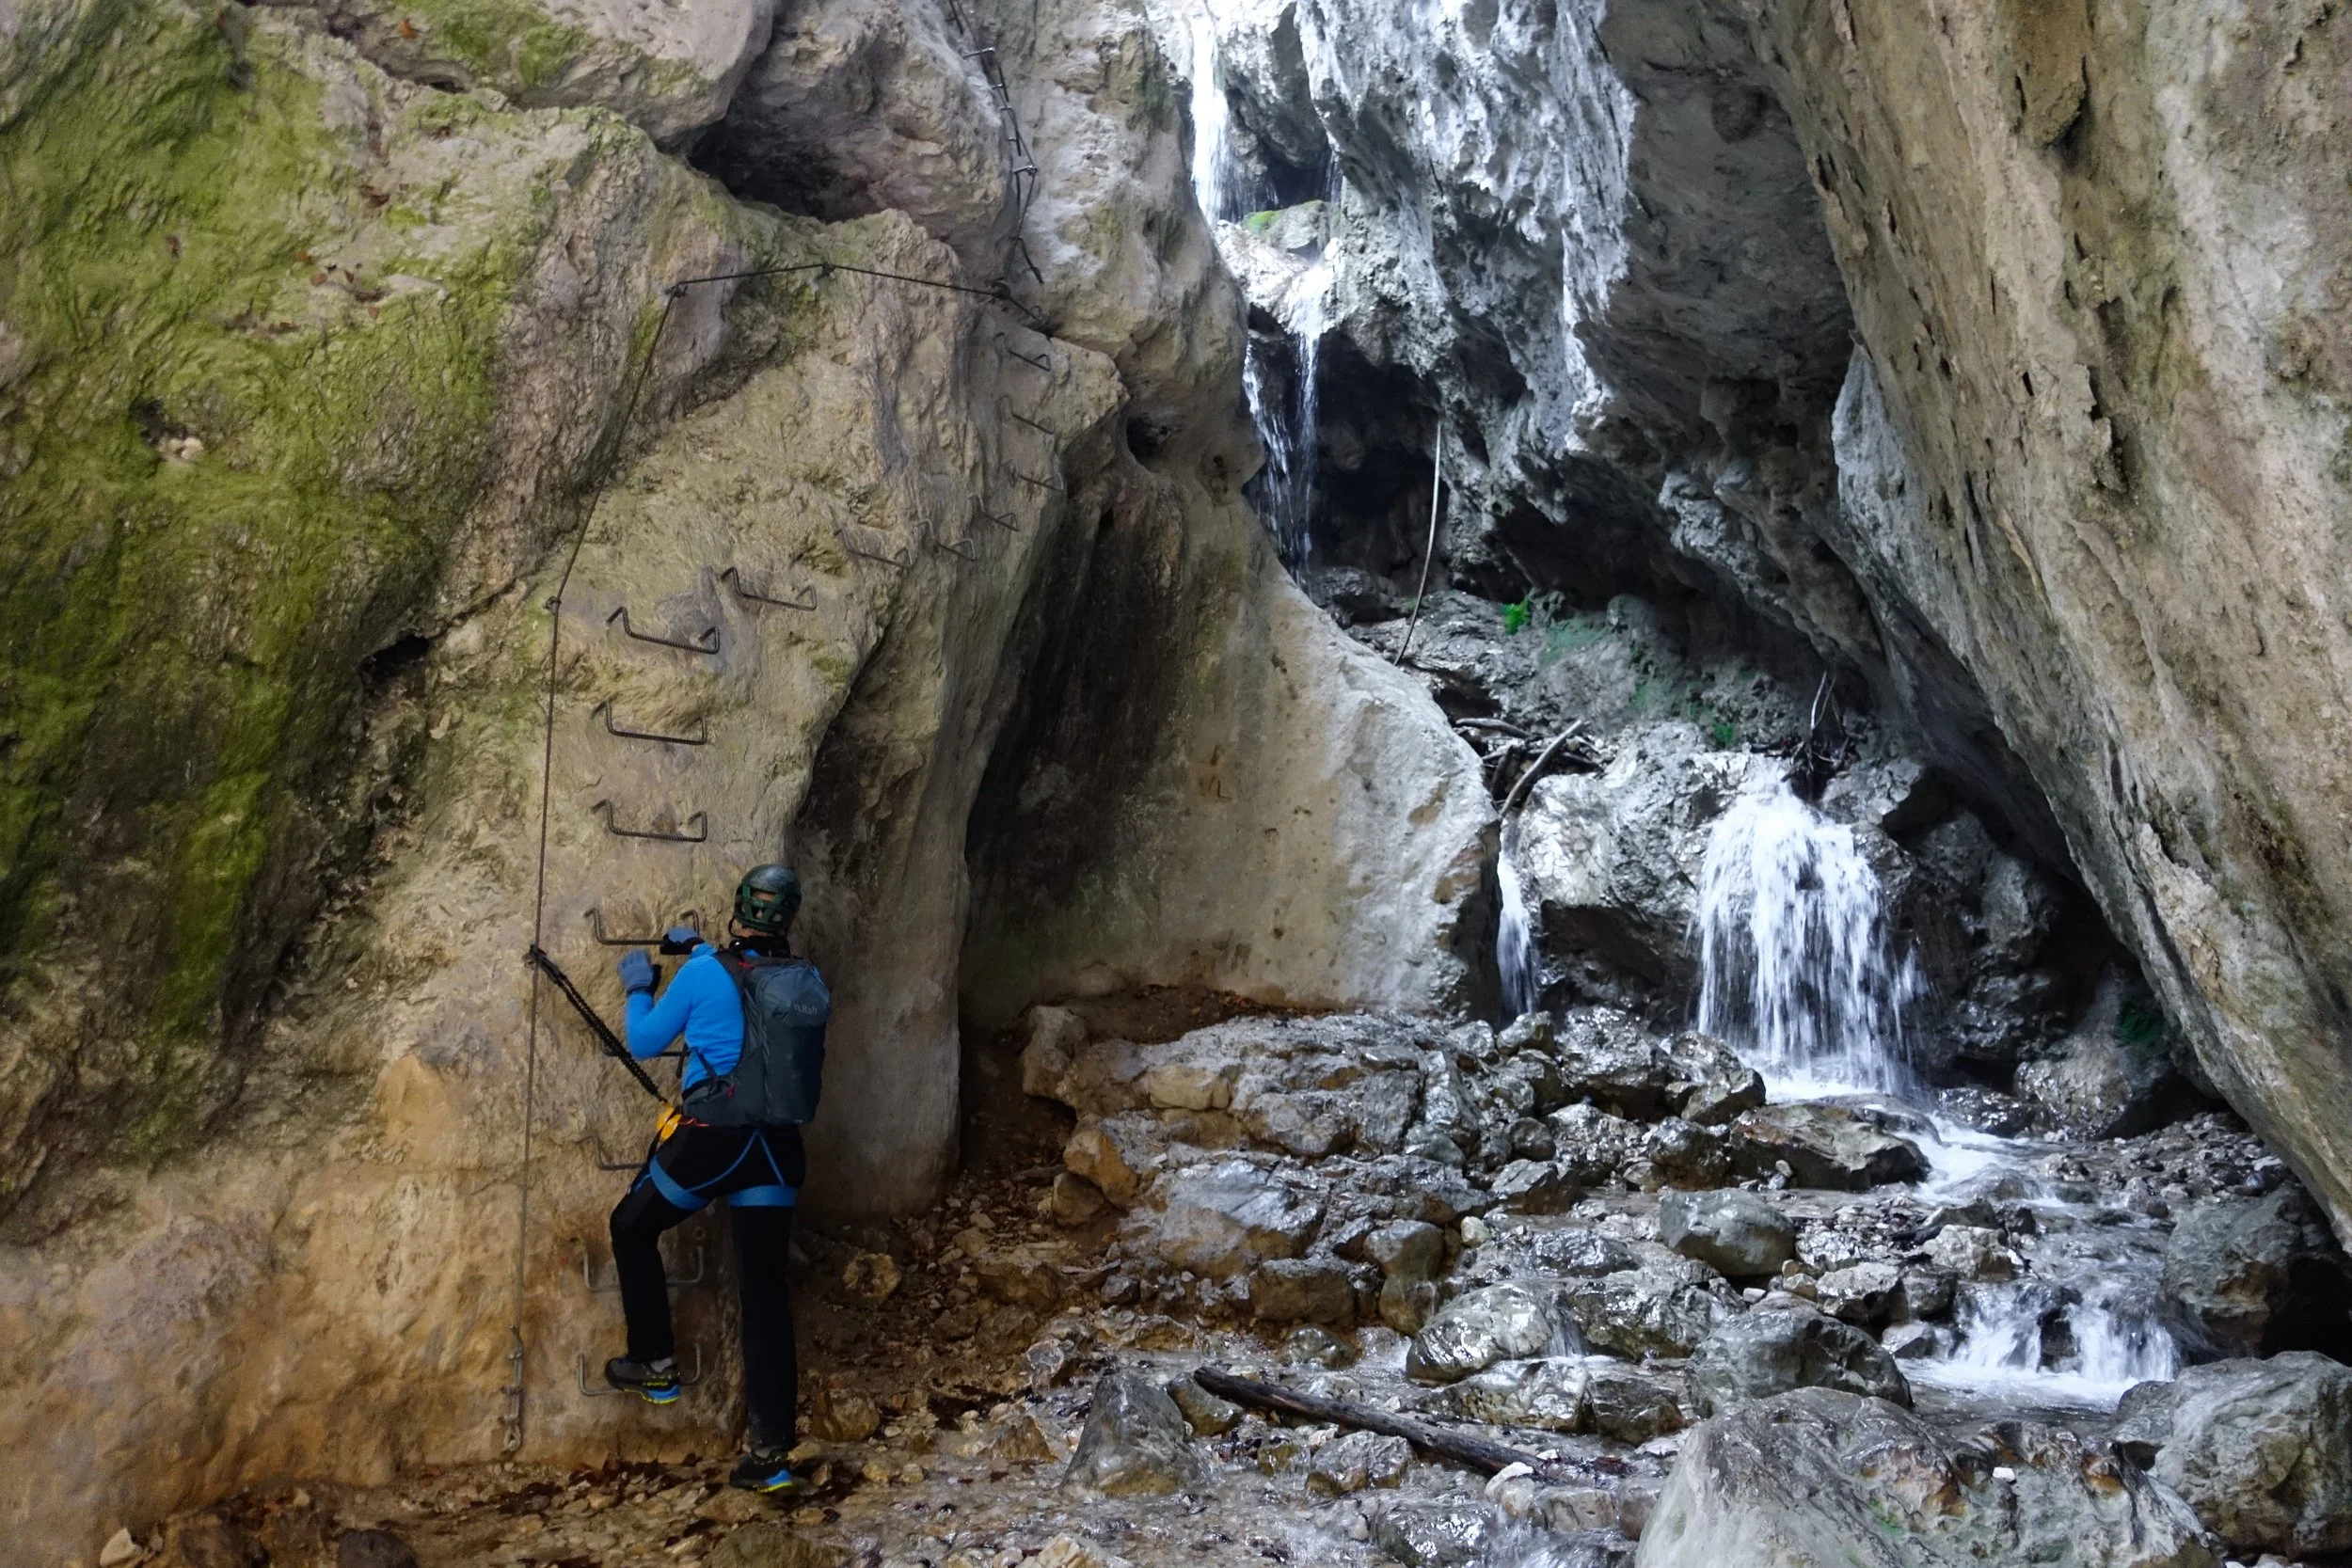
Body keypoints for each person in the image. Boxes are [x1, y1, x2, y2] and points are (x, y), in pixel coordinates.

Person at [604, 863, 819, 1495]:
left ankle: (654, 1361)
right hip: (777, 1150)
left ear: (739, 908)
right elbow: (749, 994)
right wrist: (700, 952)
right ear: (789, 917)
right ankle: (770, 1456)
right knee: (765, 1294)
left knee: (631, 1226)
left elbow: (644, 1040)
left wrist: (640, 986)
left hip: (714, 1141)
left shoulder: (703, 974)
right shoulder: (802, 978)